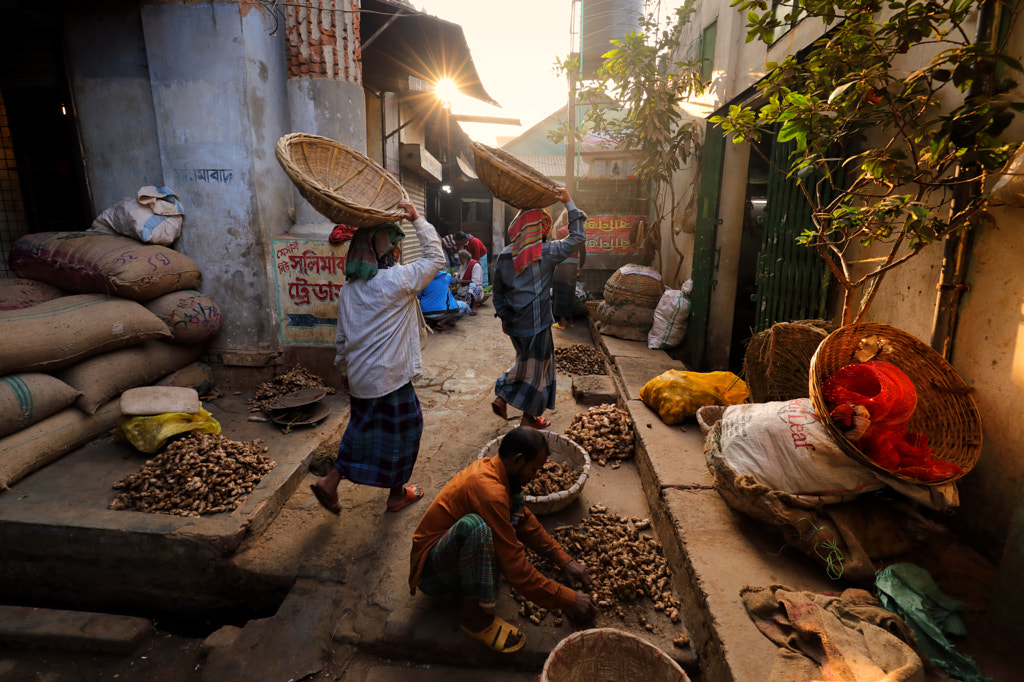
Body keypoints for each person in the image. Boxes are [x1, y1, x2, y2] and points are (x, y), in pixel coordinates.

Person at [310, 200, 444, 515]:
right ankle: (396, 495)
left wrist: (344, 372)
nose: (398, 250)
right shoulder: (396, 282)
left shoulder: (349, 289)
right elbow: (436, 257)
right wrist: (418, 221)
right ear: (388, 251)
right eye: (396, 245)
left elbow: (341, 338)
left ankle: (331, 482)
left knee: (362, 430)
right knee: (405, 432)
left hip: (359, 376)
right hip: (389, 379)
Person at [408, 426, 595, 653]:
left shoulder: (499, 473)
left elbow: (524, 521)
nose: (535, 476)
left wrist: (564, 559)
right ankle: (474, 619)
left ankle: (471, 587)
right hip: (430, 570)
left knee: (499, 523)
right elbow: (518, 571)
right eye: (534, 469)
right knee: (477, 529)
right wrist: (570, 599)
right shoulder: (489, 491)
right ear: (518, 460)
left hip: (451, 555)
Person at [491, 187, 586, 429]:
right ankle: (527, 419)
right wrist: (569, 203)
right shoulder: (545, 252)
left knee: (525, 363)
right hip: (536, 324)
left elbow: (498, 293)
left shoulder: (503, 255)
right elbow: (577, 238)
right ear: (540, 229)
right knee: (538, 372)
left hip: (513, 324)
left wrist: (503, 316)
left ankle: (504, 399)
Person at [551, 216, 587, 329]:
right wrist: (580, 266)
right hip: (573, 265)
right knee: (571, 291)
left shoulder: (561, 231)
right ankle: (570, 321)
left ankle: (562, 322)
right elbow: (583, 251)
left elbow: (558, 249)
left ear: (564, 220)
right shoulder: (578, 232)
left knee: (560, 290)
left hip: (563, 265)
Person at [454, 248, 484, 315]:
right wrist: (457, 275)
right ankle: (468, 304)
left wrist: (461, 281)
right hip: (465, 290)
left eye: (460, 259)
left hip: (475, 290)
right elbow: (461, 273)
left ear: (464, 258)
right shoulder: (463, 265)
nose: (459, 261)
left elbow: (475, 281)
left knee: (472, 286)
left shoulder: (476, 265)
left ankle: (474, 306)